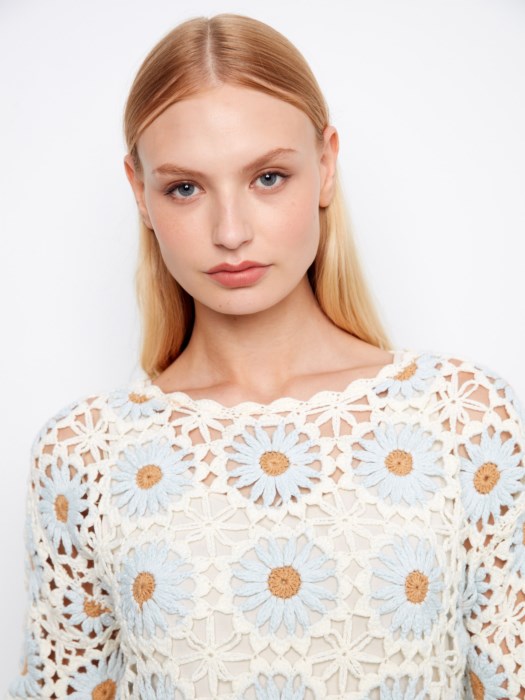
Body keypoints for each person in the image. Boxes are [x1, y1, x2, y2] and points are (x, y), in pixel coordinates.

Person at [8, 13, 524, 700]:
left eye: (268, 177)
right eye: (185, 188)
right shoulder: (84, 455)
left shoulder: (462, 418)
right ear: (139, 192)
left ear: (326, 165)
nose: (230, 232)